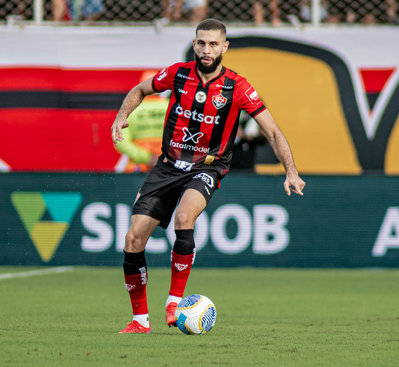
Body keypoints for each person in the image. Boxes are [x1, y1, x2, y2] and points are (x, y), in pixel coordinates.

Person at [110, 18, 306, 334]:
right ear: (194, 43)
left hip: (206, 168)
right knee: (133, 239)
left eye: (213, 44)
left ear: (224, 47)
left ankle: (174, 302)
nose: (206, 49)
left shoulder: (238, 87)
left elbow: (272, 131)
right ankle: (140, 321)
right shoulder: (177, 74)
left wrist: (291, 171)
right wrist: (121, 117)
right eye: (201, 43)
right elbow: (140, 89)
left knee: (184, 218)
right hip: (167, 166)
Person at [114, 70, 169, 173]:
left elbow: (120, 141)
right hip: (168, 167)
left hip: (138, 169)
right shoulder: (172, 107)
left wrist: (147, 158)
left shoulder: (130, 109)